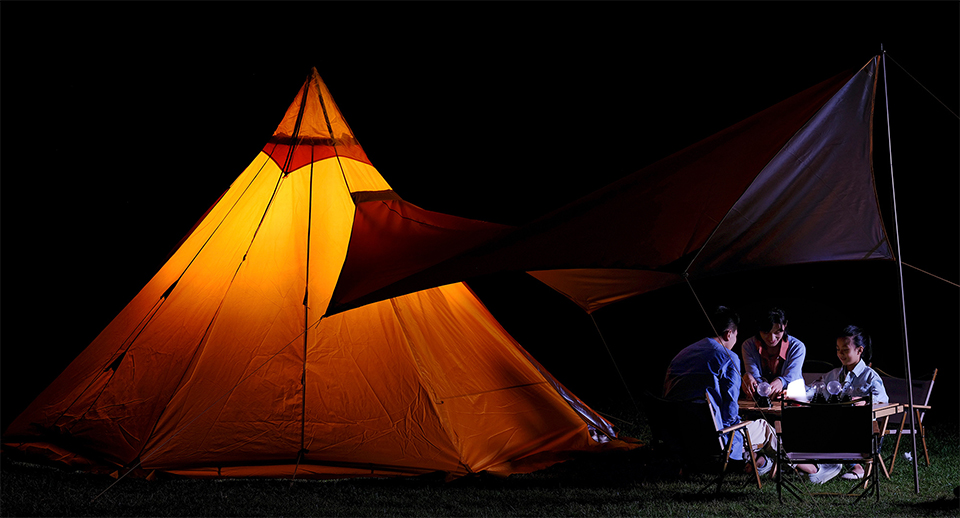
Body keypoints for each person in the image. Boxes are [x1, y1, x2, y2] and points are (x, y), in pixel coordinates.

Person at [663, 306, 778, 476]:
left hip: (677, 433)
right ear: (728, 334)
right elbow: (730, 411)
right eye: (736, 336)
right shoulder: (728, 357)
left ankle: (760, 461)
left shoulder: (682, 354)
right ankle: (795, 464)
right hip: (712, 437)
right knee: (763, 426)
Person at [795, 325, 889, 484]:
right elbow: (812, 389)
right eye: (838, 349)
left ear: (859, 350)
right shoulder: (833, 374)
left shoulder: (869, 376)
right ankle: (819, 463)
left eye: (845, 349)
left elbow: (882, 398)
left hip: (857, 431)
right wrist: (793, 392)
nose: (840, 354)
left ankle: (856, 465)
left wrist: (863, 402)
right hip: (832, 427)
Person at [741, 307, 807, 400]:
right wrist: (751, 379)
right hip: (759, 399)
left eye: (777, 332)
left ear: (785, 325)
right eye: (766, 332)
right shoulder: (748, 346)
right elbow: (754, 375)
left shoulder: (797, 347)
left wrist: (781, 381)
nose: (772, 338)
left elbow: (792, 376)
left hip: (789, 399)